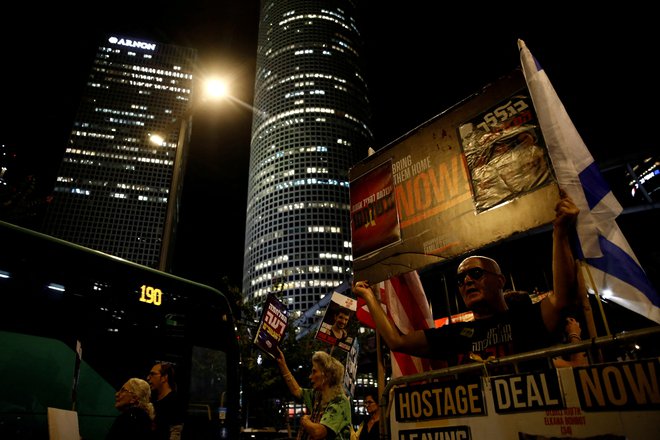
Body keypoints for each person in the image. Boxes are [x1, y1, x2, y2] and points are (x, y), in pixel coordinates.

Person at [352, 189, 579, 367]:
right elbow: (396, 341)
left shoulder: (526, 319)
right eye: (461, 279)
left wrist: (560, 233)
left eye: (476, 273)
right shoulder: (458, 335)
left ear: (500, 281)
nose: (467, 281)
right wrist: (369, 297)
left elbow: (563, 297)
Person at [276, 347, 351, 440]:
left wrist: (305, 421)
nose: (310, 376)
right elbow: (296, 391)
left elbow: (318, 432)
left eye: (314, 371)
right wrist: (282, 364)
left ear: (326, 375)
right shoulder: (318, 396)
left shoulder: (340, 401)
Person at [147, 362, 185, 440]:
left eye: (152, 374)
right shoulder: (153, 399)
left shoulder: (174, 402)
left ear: (164, 377)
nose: (148, 378)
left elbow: (175, 433)